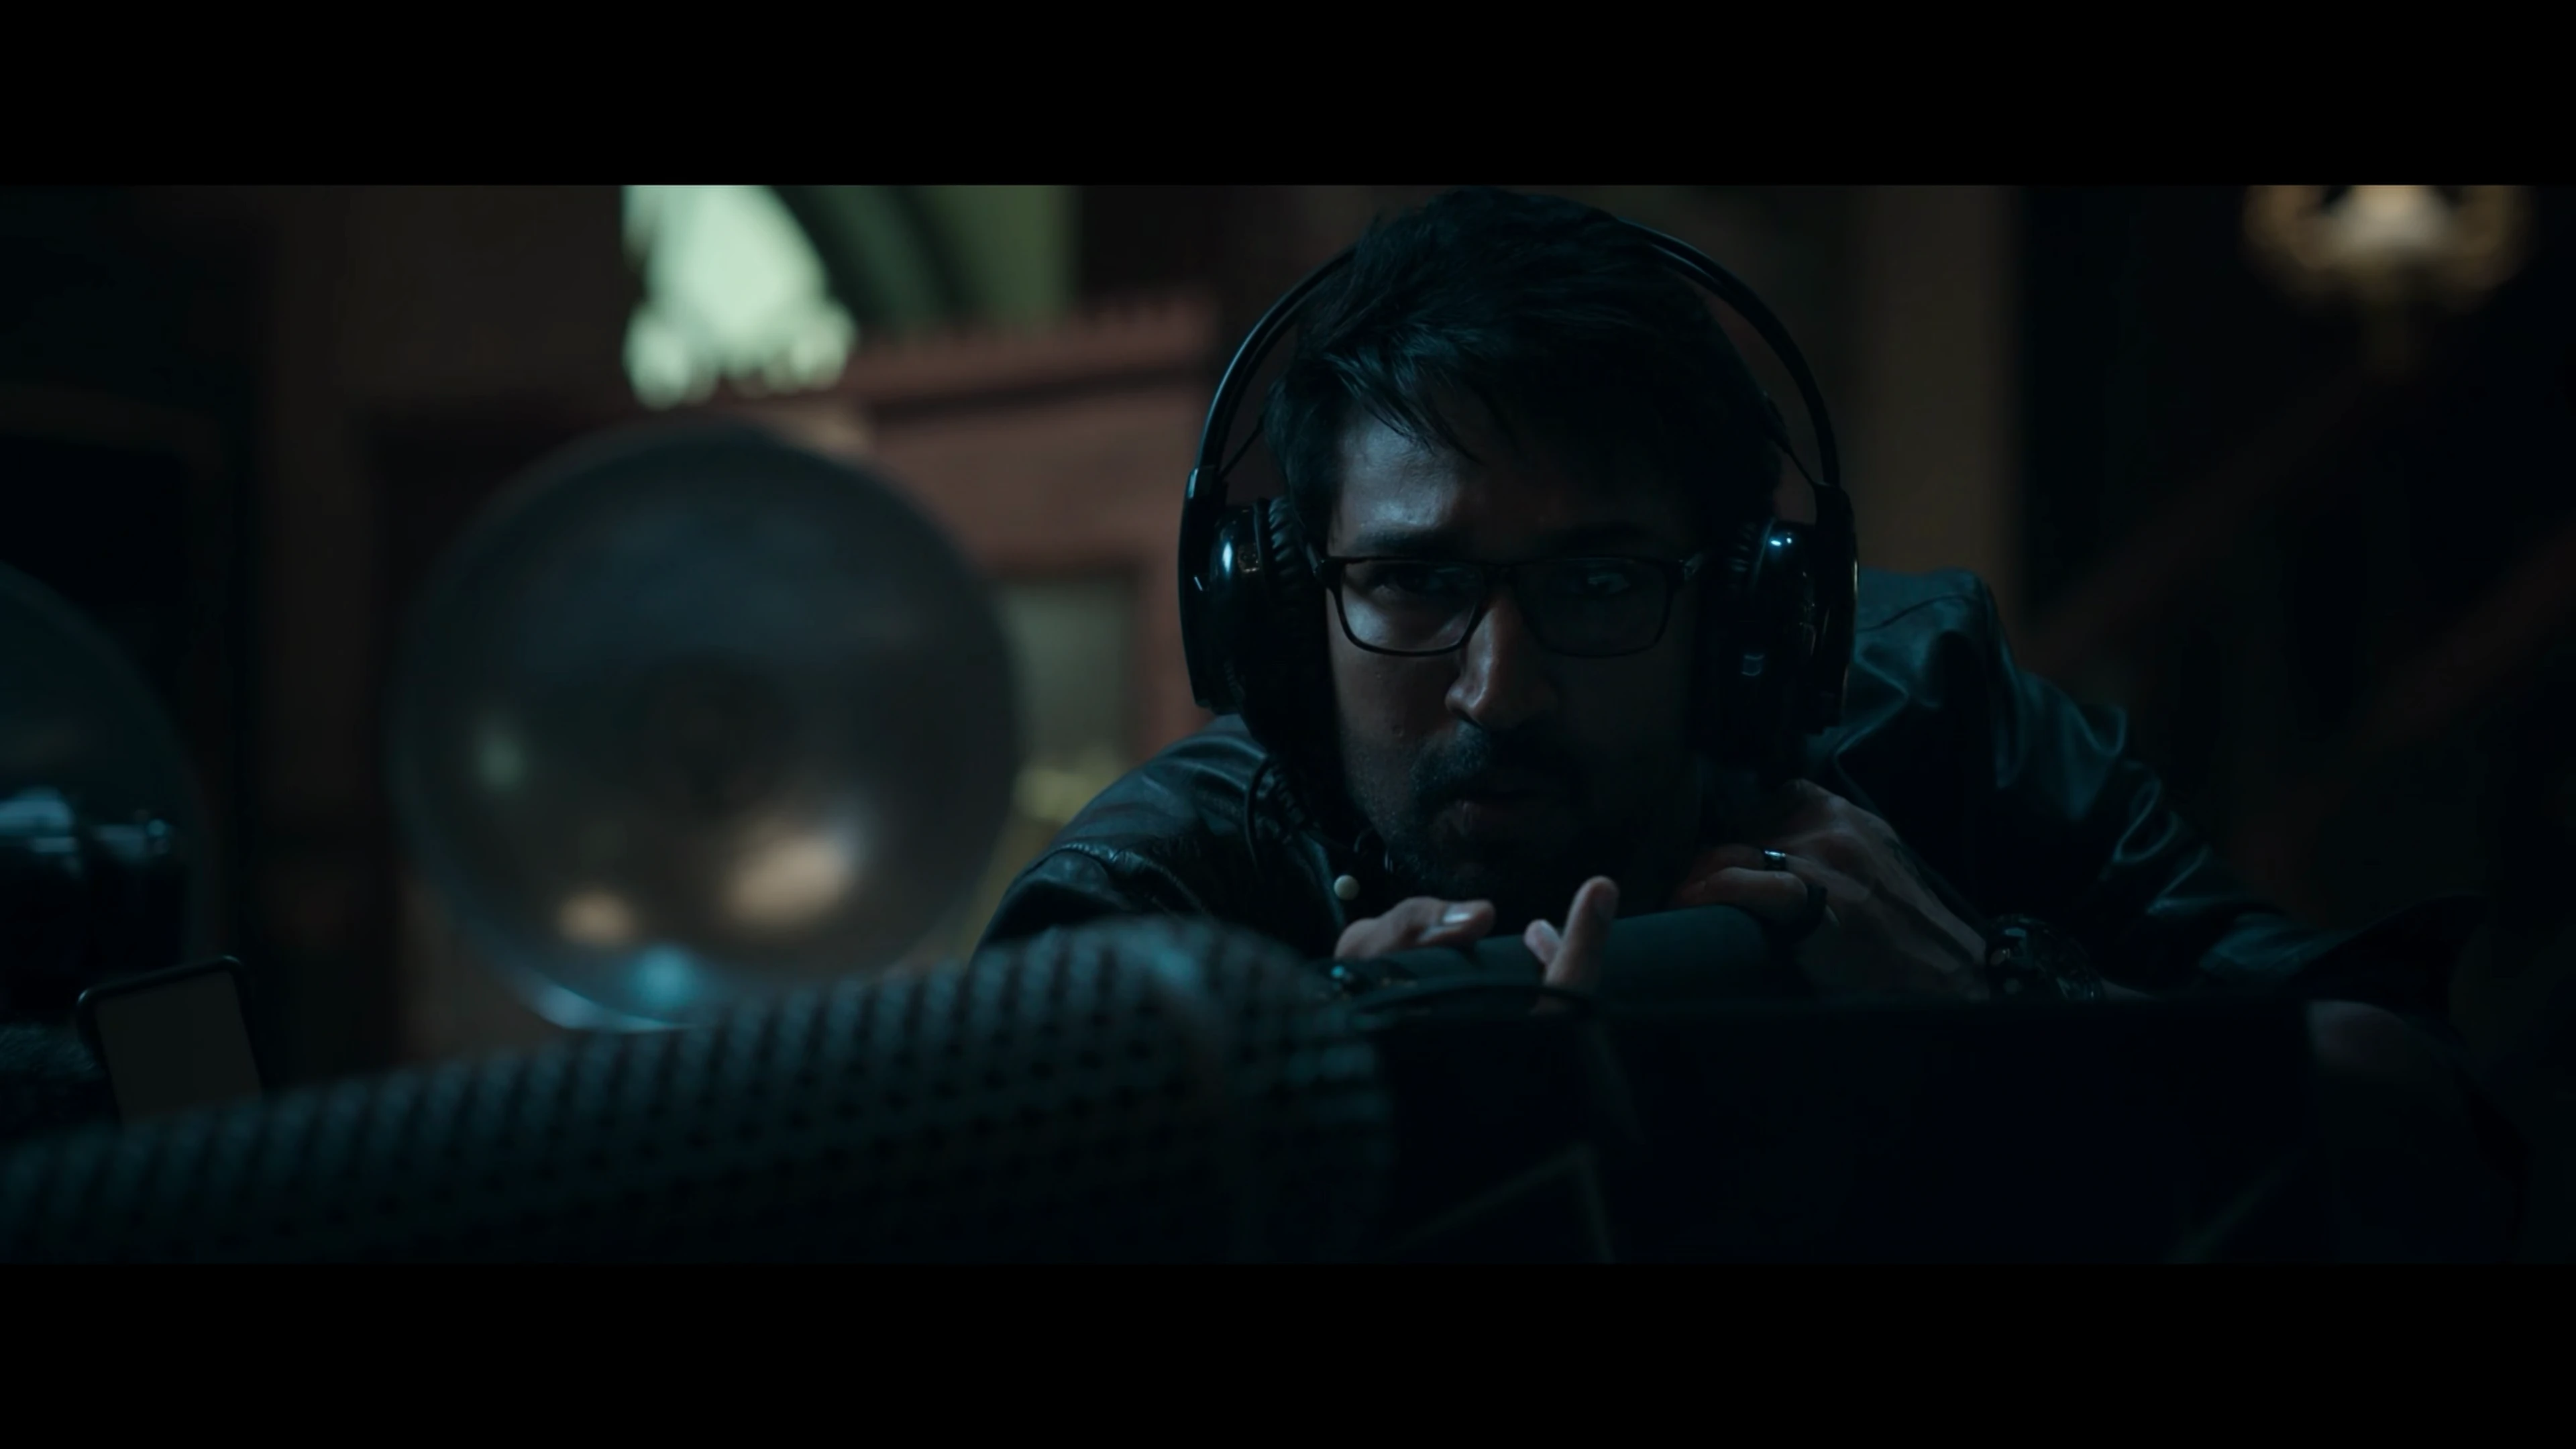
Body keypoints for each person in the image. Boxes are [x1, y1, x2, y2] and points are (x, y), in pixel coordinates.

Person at [978, 186, 2522, 1258]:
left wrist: (2000, 1007)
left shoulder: (1930, 712)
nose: (1500, 688)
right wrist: (1324, 1122)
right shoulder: (1154, 905)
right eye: (1412, 580)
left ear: (1741, 612)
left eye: (1600, 583)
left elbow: (2422, 1121)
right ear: (1280, 613)